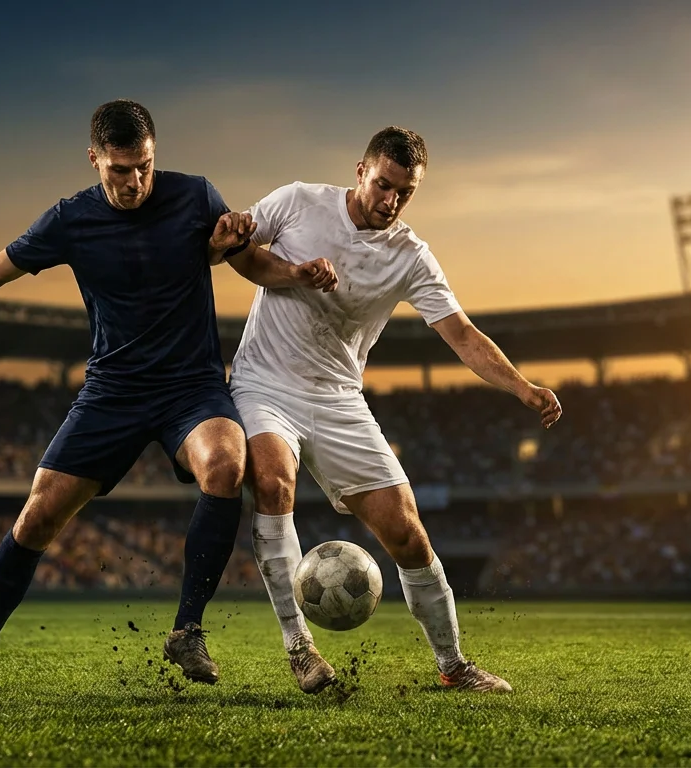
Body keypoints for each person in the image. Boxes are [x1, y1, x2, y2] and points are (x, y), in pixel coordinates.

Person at [0, 100, 337, 695]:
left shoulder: (196, 197)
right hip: (111, 392)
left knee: (227, 461)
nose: (135, 180)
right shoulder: (69, 220)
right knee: (37, 518)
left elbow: (249, 262)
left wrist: (296, 273)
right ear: (94, 160)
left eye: (143, 165)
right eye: (119, 169)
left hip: (190, 387)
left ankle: (187, 629)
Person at [230, 127, 562, 695]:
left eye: (403, 193)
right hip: (265, 382)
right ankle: (300, 649)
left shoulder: (410, 255)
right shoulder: (298, 202)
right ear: (360, 170)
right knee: (274, 482)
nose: (390, 200)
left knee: (408, 534)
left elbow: (460, 333)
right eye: (383, 184)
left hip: (338, 399)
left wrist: (521, 386)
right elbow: (237, 250)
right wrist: (263, 255)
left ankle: (454, 668)